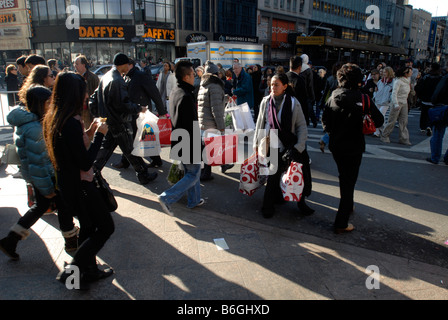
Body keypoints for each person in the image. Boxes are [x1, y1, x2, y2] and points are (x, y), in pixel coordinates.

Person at [43, 71, 114, 290]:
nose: (86, 95)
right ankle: (72, 270)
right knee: (105, 227)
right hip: (80, 185)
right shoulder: (69, 123)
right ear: (72, 93)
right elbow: (84, 162)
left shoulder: (59, 118)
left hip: (70, 183)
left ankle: (88, 271)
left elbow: (72, 150)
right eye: (82, 91)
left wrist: (90, 132)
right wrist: (101, 135)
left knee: (89, 227)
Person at [0, 85, 79, 260]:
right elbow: (39, 162)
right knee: (64, 207)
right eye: (48, 102)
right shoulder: (35, 127)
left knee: (40, 207)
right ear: (39, 104)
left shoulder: (29, 121)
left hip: (39, 176)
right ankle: (71, 242)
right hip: (46, 177)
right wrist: (47, 187)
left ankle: (11, 240)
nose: (51, 105)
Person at [322, 63, 384, 234]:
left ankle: (348, 205)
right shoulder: (364, 98)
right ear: (359, 80)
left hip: (336, 145)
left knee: (345, 176)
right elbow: (379, 121)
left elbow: (325, 121)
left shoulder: (334, 96)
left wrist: (334, 132)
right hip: (355, 145)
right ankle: (341, 222)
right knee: (349, 180)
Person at [89, 53, 157, 185]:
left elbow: (93, 99)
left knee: (107, 148)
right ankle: (143, 174)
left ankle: (93, 171)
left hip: (109, 121)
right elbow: (123, 104)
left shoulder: (106, 77)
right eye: (128, 64)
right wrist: (139, 108)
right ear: (124, 64)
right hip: (119, 121)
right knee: (129, 149)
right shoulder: (117, 80)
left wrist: (100, 114)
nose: (129, 66)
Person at [254, 73, 314, 219]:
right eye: (271, 84)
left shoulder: (293, 102)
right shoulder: (266, 101)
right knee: (273, 176)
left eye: (276, 84)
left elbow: (301, 126)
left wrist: (299, 146)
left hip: (291, 144)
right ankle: (267, 206)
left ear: (285, 86)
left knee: (297, 174)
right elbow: (260, 124)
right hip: (272, 143)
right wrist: (257, 144)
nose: (272, 87)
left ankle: (301, 203)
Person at [157, 61, 204, 216]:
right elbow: (191, 125)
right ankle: (167, 198)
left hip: (179, 138)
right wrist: (200, 144)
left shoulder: (176, 91)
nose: (194, 77)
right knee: (193, 173)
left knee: (191, 172)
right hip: (188, 141)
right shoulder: (186, 96)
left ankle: (194, 200)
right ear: (185, 77)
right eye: (192, 74)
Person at [113, 58, 167, 169]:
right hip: (133, 112)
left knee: (141, 137)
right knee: (135, 137)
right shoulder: (127, 77)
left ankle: (150, 160)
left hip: (142, 113)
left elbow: (154, 93)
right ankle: (152, 160)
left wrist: (162, 112)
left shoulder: (140, 76)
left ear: (130, 65)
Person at [197, 61, 233, 181]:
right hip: (211, 123)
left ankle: (206, 171)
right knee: (212, 148)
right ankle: (209, 172)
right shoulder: (215, 86)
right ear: (216, 74)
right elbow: (216, 109)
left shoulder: (204, 84)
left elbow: (211, 101)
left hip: (203, 122)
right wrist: (221, 127)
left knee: (206, 148)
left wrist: (226, 98)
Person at [380, 66, 412, 145]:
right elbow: (394, 94)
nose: (411, 73)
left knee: (404, 121)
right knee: (392, 121)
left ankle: (404, 138)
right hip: (397, 102)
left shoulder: (407, 80)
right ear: (405, 72)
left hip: (404, 102)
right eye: (410, 71)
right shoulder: (398, 81)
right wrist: (395, 104)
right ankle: (385, 135)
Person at [318, 62, 343, 152]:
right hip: (339, 103)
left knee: (334, 125)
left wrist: (321, 103)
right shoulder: (342, 80)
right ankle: (326, 141)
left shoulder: (329, 79)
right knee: (338, 126)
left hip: (330, 102)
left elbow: (325, 92)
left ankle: (325, 141)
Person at [415, 63, 442, 136]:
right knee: (432, 114)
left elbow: (419, 87)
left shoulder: (426, 77)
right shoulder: (440, 78)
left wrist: (420, 96)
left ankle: (423, 127)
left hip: (425, 98)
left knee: (424, 113)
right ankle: (429, 126)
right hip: (435, 100)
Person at [426, 73, 448, 165]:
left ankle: (435, 157)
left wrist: (434, 102)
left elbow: (438, 92)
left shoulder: (446, 78)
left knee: (438, 135)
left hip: (444, 108)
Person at [74, 55, 100, 128]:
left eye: (77, 64)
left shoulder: (93, 77)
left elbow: (98, 94)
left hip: (90, 110)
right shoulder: (74, 77)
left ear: (83, 65)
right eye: (74, 64)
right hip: (78, 109)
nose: (75, 66)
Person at [372, 66, 395, 137]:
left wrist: (390, 99)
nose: (384, 73)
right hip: (378, 100)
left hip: (385, 102)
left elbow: (394, 92)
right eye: (383, 72)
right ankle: (378, 131)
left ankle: (381, 130)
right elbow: (376, 90)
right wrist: (375, 95)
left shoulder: (393, 82)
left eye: (385, 72)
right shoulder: (380, 81)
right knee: (378, 116)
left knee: (380, 115)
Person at [300, 54, 317, 127]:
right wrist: (312, 96)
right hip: (307, 93)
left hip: (299, 93)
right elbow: (310, 85)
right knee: (309, 109)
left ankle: (306, 122)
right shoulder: (308, 70)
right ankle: (313, 121)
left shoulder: (298, 68)